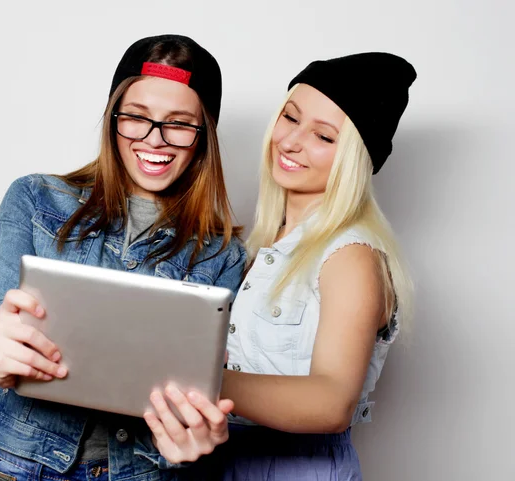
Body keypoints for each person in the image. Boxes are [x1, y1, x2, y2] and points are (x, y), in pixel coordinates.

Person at [0, 34, 246, 481]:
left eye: (179, 123)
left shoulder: (223, 253)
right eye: (136, 118)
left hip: (148, 471)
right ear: (114, 119)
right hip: (32, 466)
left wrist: (202, 432)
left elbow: (207, 385)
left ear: (203, 136)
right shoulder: (35, 198)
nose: (156, 140)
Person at [146, 53, 417, 480]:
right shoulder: (258, 247)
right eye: (290, 118)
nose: (290, 141)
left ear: (355, 158)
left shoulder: (351, 256)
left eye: (324, 137)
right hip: (217, 461)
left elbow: (332, 403)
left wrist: (194, 378)